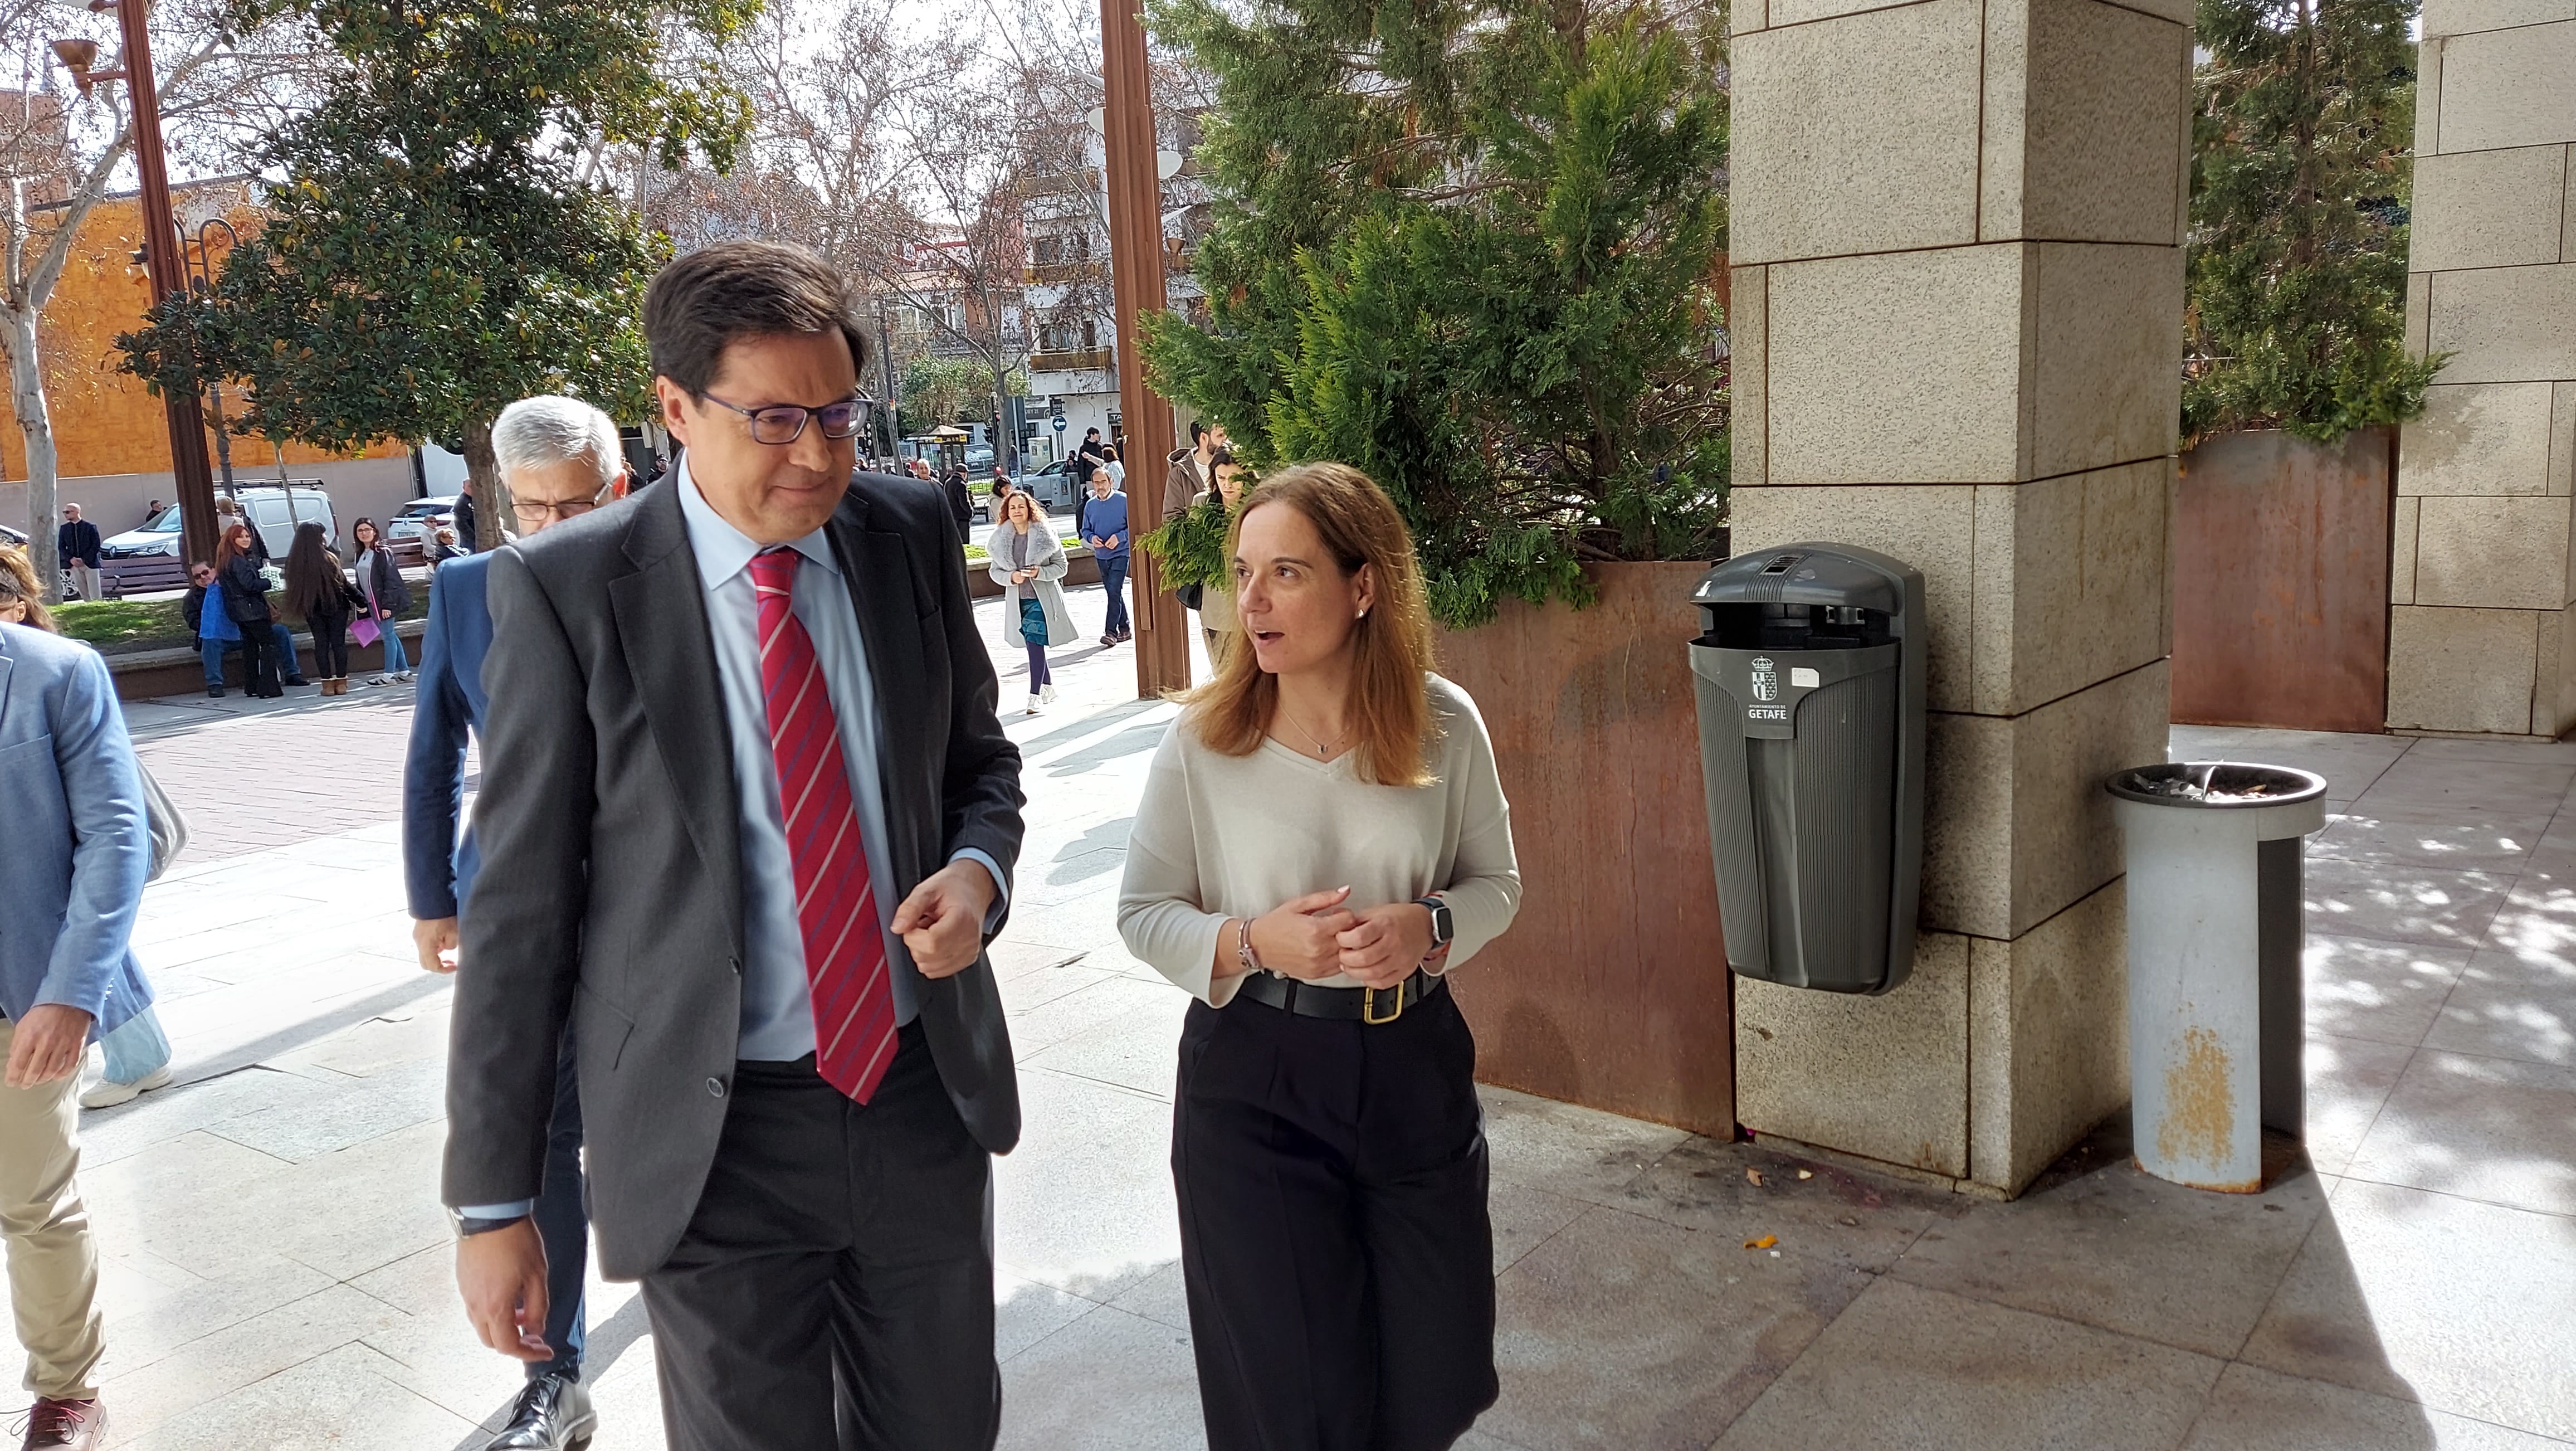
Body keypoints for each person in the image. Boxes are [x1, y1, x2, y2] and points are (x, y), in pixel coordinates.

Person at [444, 239, 1027, 1451]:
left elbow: (981, 766)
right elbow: (516, 914)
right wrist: (496, 1202)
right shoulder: (567, 591)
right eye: (772, 420)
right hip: (711, 1137)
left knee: (944, 1429)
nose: (815, 455)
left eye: (837, 415)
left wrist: (976, 872)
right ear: (671, 409)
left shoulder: (907, 532)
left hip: (917, 1098)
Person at [1117, 462, 1521, 1451]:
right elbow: (1142, 911)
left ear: (1362, 585)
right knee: (1293, 1402)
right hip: (1253, 1079)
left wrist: (1427, 925)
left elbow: (1495, 885)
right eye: (1243, 570)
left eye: (1285, 572)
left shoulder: (1443, 720)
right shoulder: (1203, 740)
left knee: (1435, 1377)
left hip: (1412, 1065)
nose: (1248, 599)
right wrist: (1256, 941)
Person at [407, 395, 627, 1451]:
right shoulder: (463, 589)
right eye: (528, 507)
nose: (548, 526)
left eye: (571, 504)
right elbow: (434, 749)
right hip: (523, 914)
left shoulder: (661, 570)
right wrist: (431, 893)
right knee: (542, 1137)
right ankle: (558, 1373)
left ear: (617, 486)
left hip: (650, 912)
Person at [1, 565, 156, 1450]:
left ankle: (67, 1391)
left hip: (20, 995)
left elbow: (116, 834)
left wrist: (70, 992)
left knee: (33, 1203)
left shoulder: (55, 671)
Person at [990, 489, 1074, 714]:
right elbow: (994, 571)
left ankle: (1034, 695)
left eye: (1021, 507)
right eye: (1013, 507)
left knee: (1034, 644)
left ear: (1030, 509)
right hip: (1018, 601)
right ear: (1007, 511)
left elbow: (1062, 566)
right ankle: (1048, 687)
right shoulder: (1001, 539)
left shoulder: (1046, 534)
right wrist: (1011, 577)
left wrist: (1039, 572)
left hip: (1042, 599)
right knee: (1032, 644)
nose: (1017, 511)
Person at [283, 522, 367, 697]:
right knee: (338, 644)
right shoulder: (329, 558)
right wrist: (361, 600)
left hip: (311, 607)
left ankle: (327, 684)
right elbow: (343, 583)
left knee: (320, 644)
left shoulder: (295, 561)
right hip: (336, 606)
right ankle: (342, 682)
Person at [215, 523, 284, 699]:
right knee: (267, 644)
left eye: (247, 536)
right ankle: (268, 686)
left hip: (239, 611)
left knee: (250, 647)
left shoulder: (225, 560)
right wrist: (267, 582)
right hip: (252, 610)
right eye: (241, 537)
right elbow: (249, 585)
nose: (246, 540)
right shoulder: (239, 561)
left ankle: (252, 685)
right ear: (233, 540)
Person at [1197, 449, 1249, 667]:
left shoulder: (1260, 504)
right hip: (1215, 607)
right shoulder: (1202, 505)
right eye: (1221, 478)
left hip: (1253, 604)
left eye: (1234, 479)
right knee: (1224, 676)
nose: (1227, 485)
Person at [350, 518, 415, 686]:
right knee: (390, 635)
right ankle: (405, 672)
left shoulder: (382, 552)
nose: (364, 533)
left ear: (375, 531)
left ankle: (388, 675)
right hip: (371, 602)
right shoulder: (360, 553)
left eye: (367, 529)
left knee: (387, 636)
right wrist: (361, 602)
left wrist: (387, 604)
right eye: (360, 531)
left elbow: (391, 579)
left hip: (383, 603)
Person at [1077, 465, 1131, 646]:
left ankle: (1111, 632)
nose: (1100, 486)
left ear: (1111, 482)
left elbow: (1134, 527)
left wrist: (1120, 538)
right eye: (1096, 482)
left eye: (1103, 482)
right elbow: (1084, 529)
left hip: (1121, 553)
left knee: (1114, 590)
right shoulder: (1090, 505)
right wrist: (1092, 538)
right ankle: (1125, 628)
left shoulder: (1124, 501)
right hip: (1101, 555)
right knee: (1113, 592)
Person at [1163, 417, 1227, 524]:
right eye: (1220, 436)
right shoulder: (1180, 473)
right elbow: (1171, 519)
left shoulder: (1233, 465)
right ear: (1203, 438)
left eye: (1227, 435)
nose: (1226, 440)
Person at [57, 505, 102, 602]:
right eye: (64, 512)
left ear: (77, 512)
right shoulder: (64, 529)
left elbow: (96, 545)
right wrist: (71, 559)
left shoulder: (90, 527)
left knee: (95, 593)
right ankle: (88, 610)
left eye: (68, 512)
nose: (65, 514)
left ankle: (98, 609)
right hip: (74, 565)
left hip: (90, 564)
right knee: (83, 592)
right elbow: (61, 547)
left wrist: (84, 560)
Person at [212, 496, 269, 567]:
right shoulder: (238, 521)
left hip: (223, 552)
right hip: (238, 551)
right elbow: (254, 538)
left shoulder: (216, 521)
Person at [452, 479, 479, 555]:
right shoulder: (462, 502)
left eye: (474, 486)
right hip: (470, 540)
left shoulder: (475, 500)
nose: (472, 489)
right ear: (464, 488)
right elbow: (461, 524)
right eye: (470, 486)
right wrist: (474, 537)